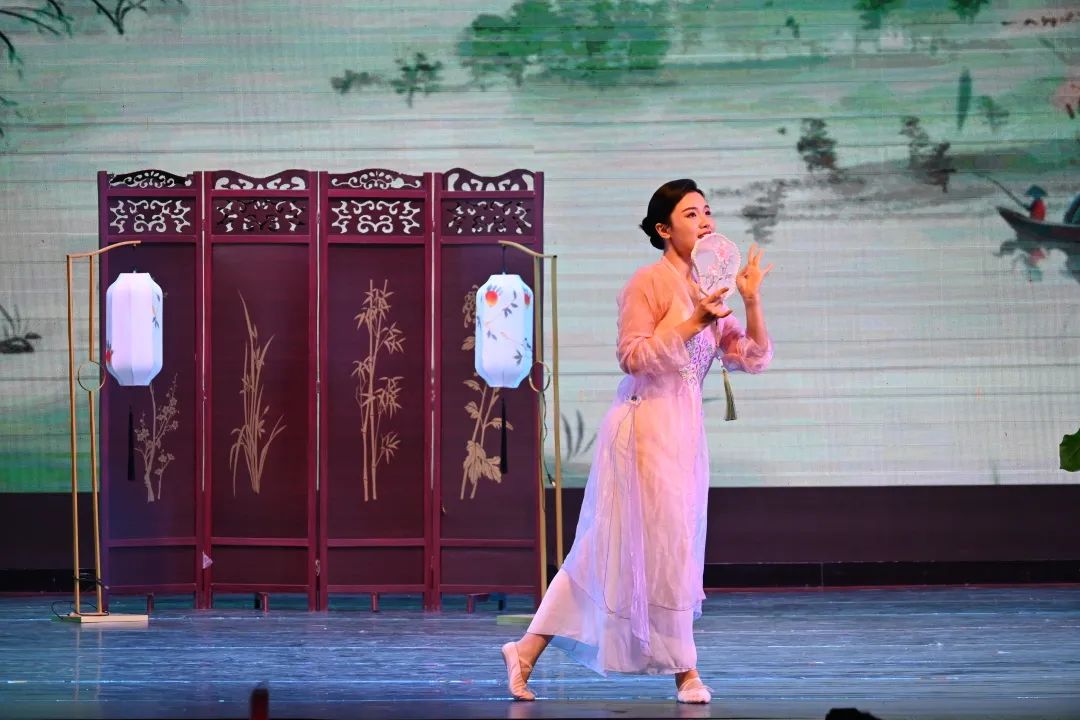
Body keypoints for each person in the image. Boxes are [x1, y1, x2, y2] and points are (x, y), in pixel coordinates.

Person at [500, 179, 773, 704]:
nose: (706, 222)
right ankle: (686, 672)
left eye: (708, 212)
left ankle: (526, 650)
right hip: (644, 426)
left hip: (682, 431)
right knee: (663, 546)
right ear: (664, 229)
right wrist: (693, 321)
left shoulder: (708, 286)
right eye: (691, 214)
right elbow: (632, 356)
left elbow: (752, 357)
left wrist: (751, 299)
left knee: (618, 548)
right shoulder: (647, 282)